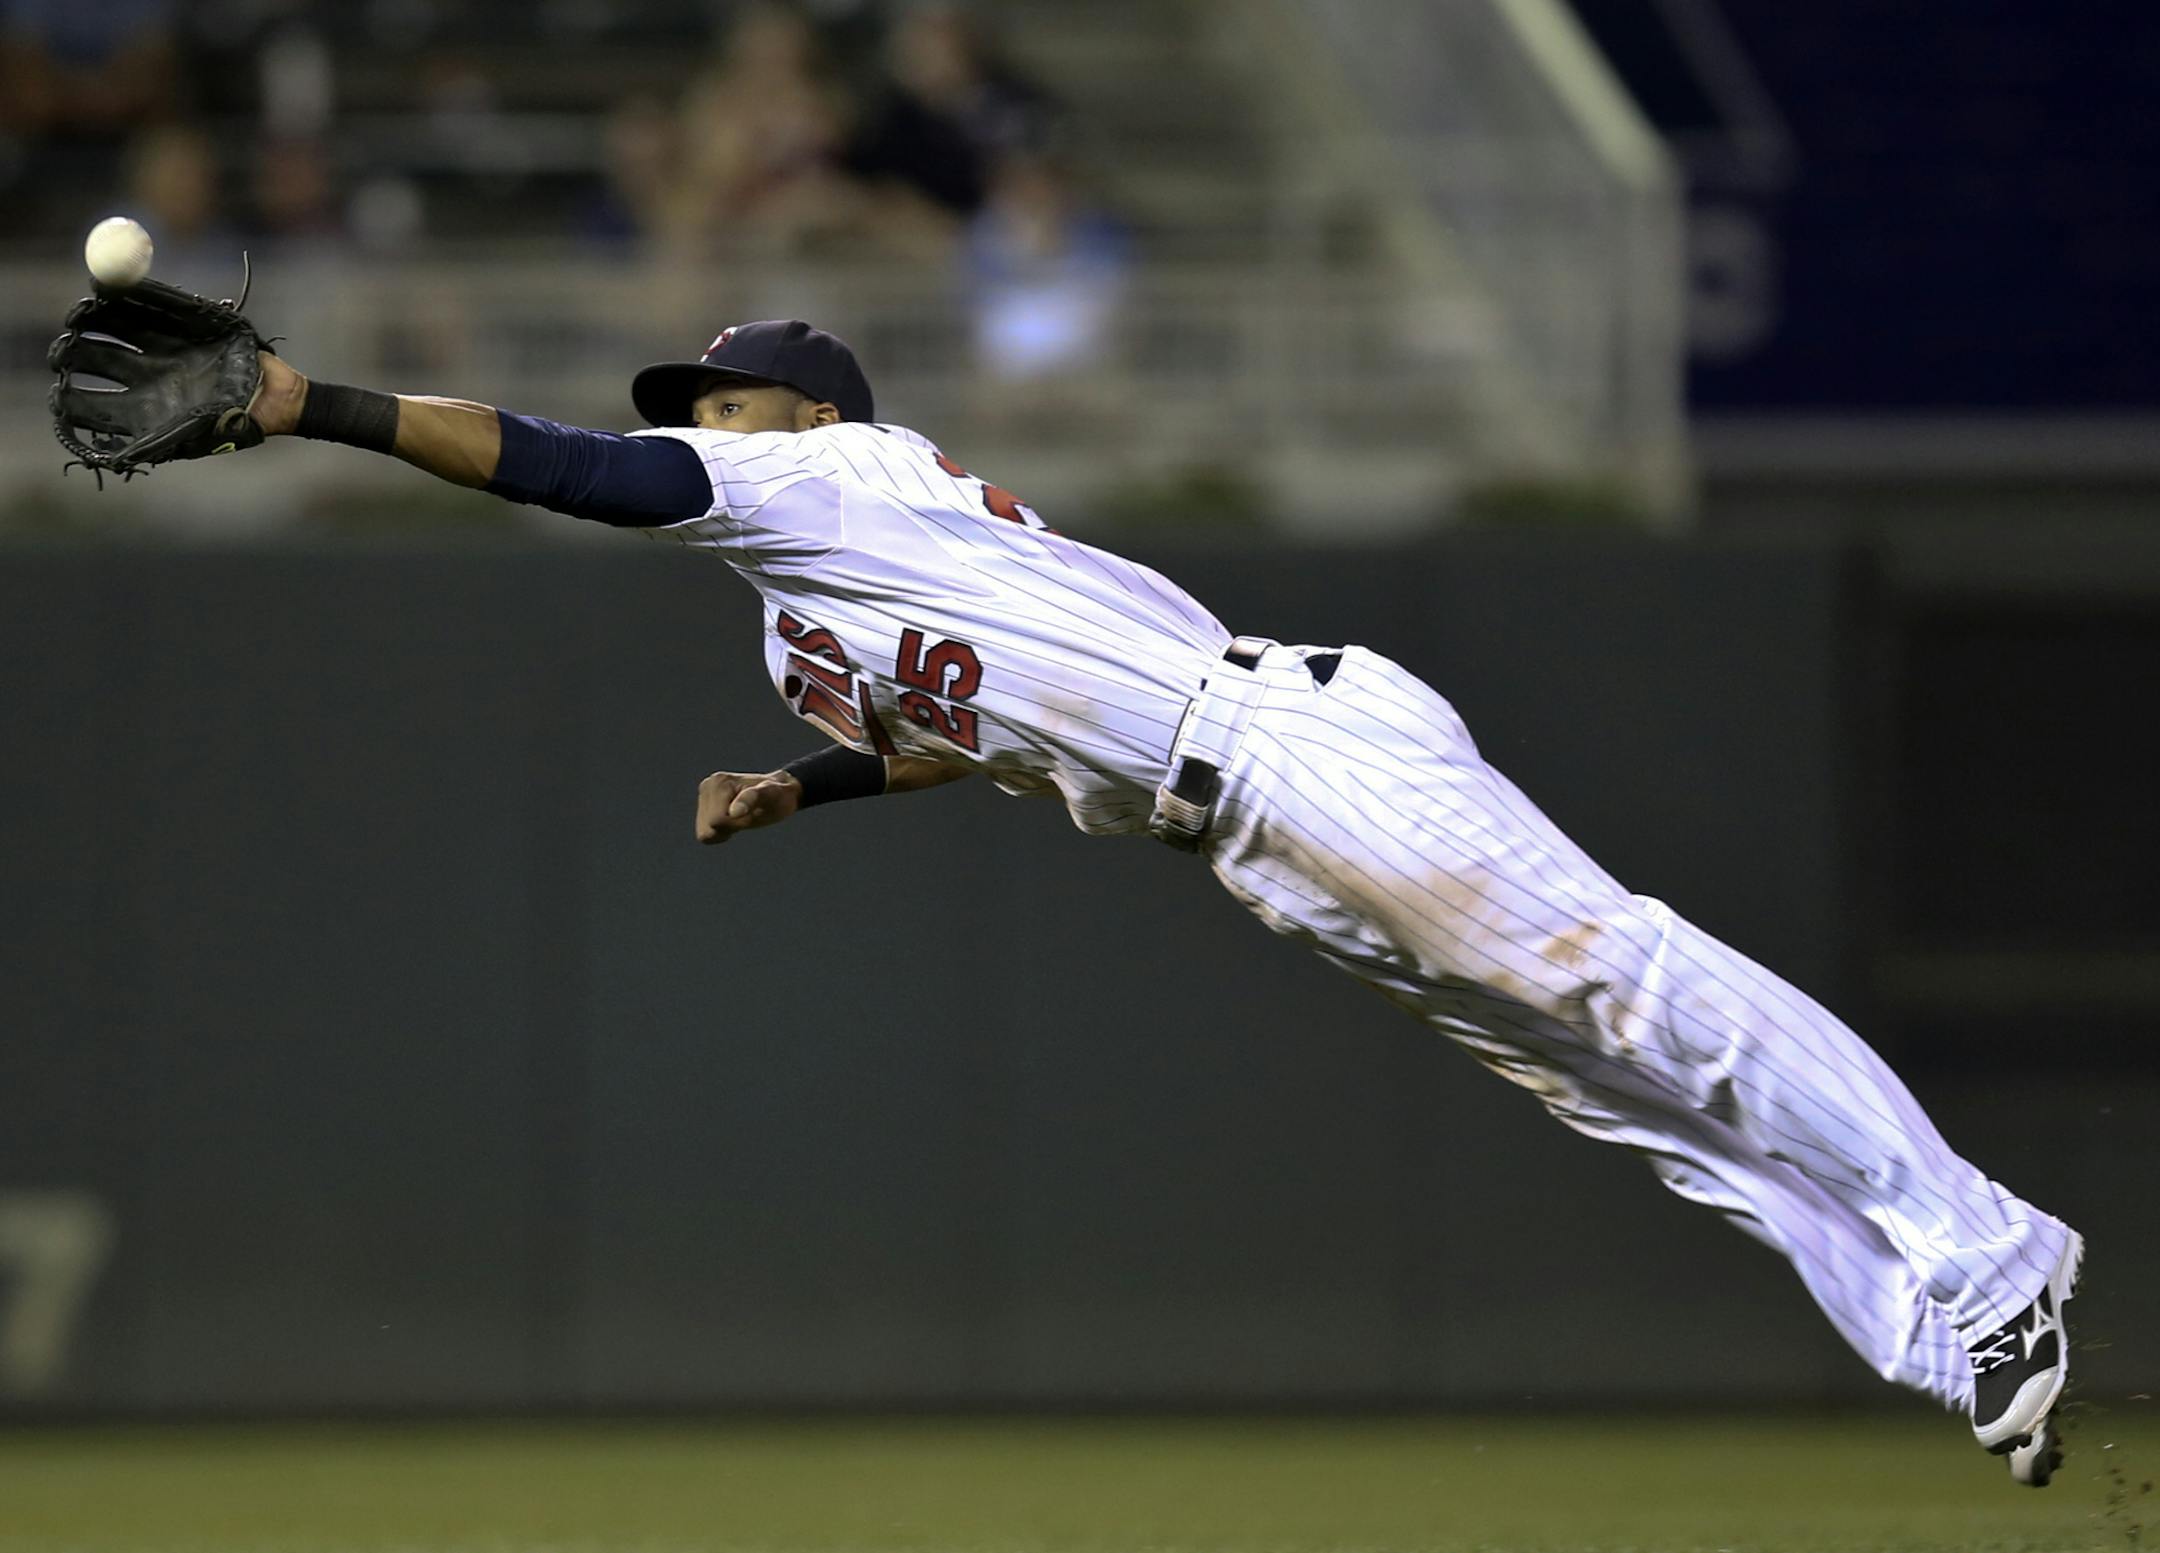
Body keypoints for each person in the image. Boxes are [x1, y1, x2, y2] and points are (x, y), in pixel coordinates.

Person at [239, 319, 2087, 1487]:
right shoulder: (816, 613)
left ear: (805, 410)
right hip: (1252, 830)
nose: (704, 415)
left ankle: (1989, 1249)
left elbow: (578, 467)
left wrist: (305, 401)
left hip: (1289, 745)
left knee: (1612, 975)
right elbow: (997, 733)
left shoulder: (817, 473)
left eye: (727, 393)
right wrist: (802, 783)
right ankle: (1946, 1328)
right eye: (704, 401)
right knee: (1618, 1094)